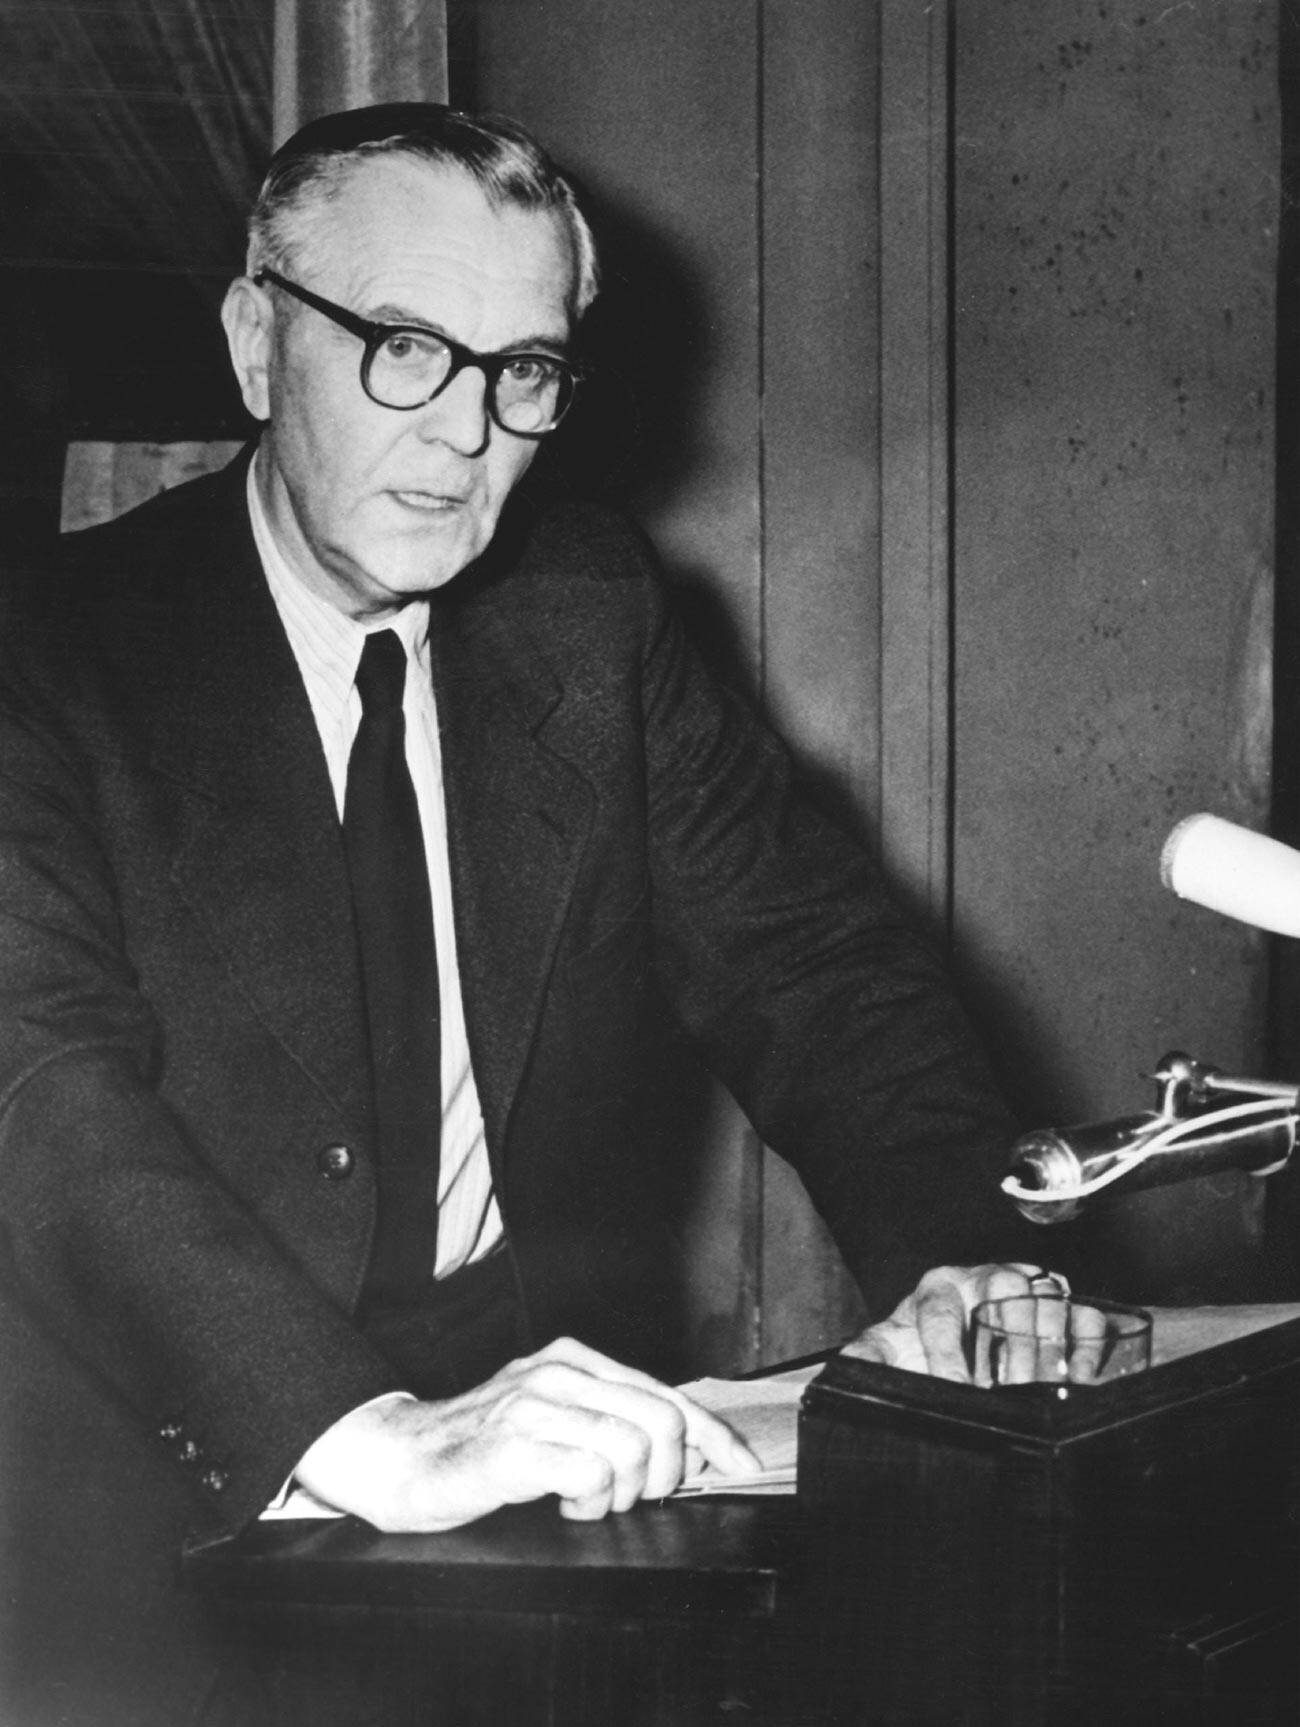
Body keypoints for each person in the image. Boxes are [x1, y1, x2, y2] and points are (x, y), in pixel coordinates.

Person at [0, 103, 1047, 1726]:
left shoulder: (591, 613)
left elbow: (815, 964)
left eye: (524, 372)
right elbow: (40, 1089)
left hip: (530, 1475)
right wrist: (362, 1434)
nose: (466, 434)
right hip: (144, 1491)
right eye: (403, 347)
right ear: (255, 339)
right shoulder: (48, 655)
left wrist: (970, 1260)